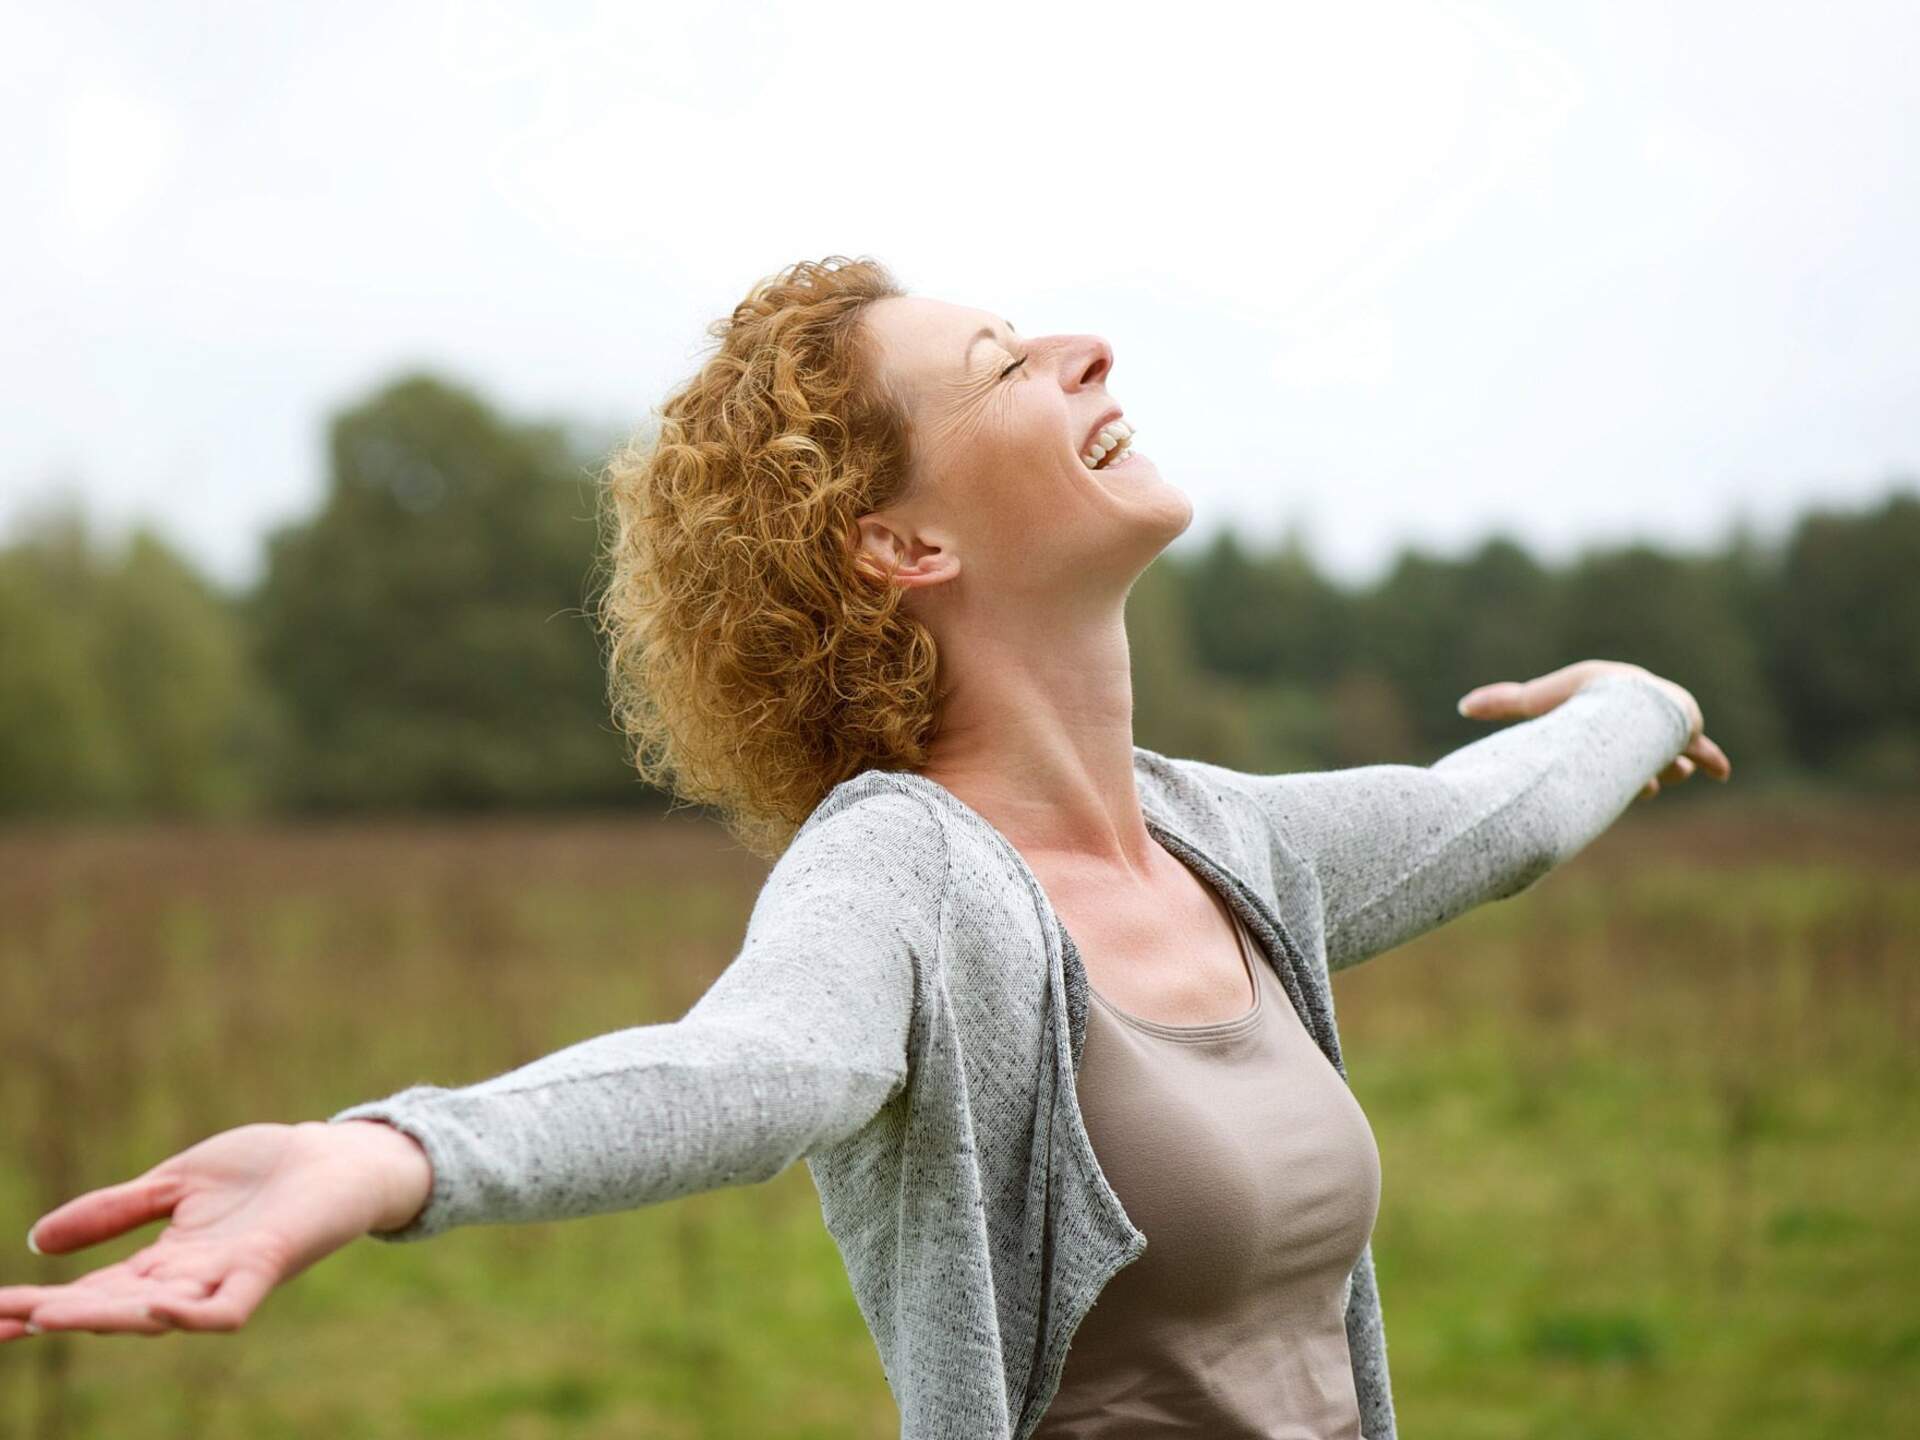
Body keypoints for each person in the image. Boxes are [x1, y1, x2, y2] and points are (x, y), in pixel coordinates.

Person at [0, 256, 1730, 1439]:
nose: (1087, 350)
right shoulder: (907, 877)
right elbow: (747, 1067)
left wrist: (1637, 698)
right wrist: (380, 1158)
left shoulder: (1227, 844)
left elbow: (1486, 814)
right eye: (1006, 367)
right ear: (900, 541)